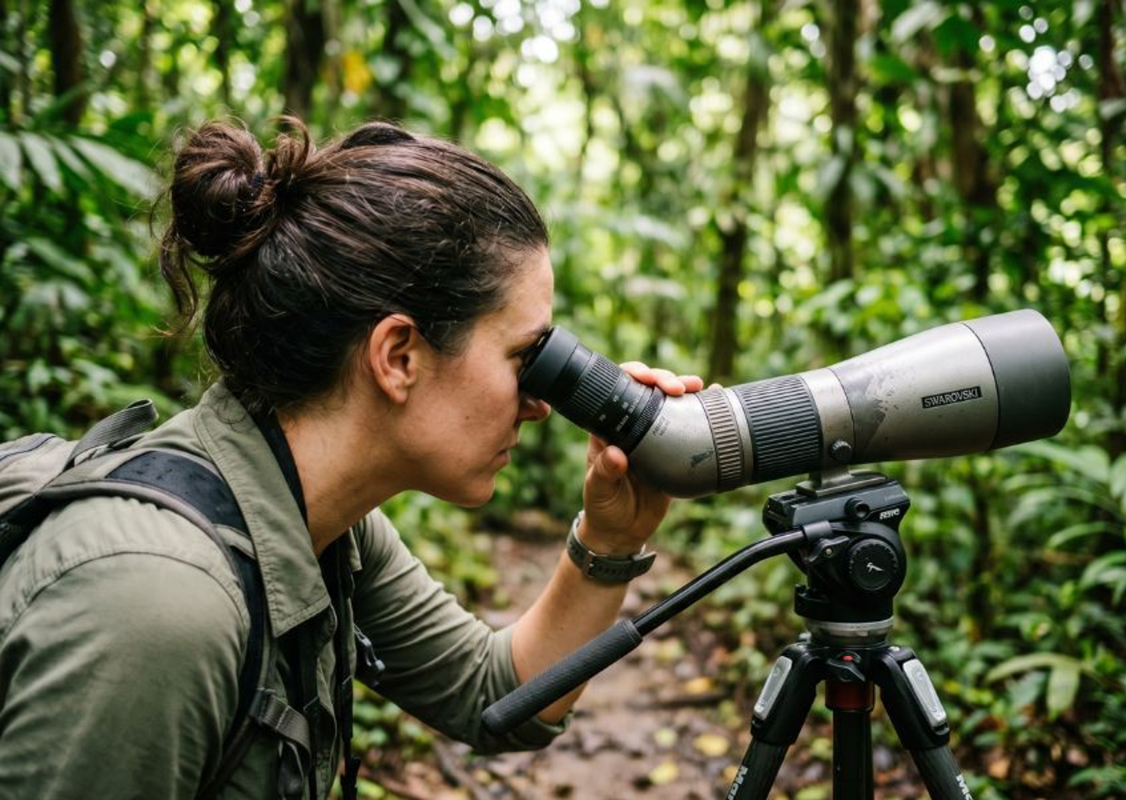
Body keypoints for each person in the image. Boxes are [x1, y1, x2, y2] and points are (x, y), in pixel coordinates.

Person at [0, 118, 702, 799]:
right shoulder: (159, 609)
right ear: (398, 356)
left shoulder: (322, 521)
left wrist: (611, 538)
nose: (541, 402)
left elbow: (499, 694)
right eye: (525, 357)